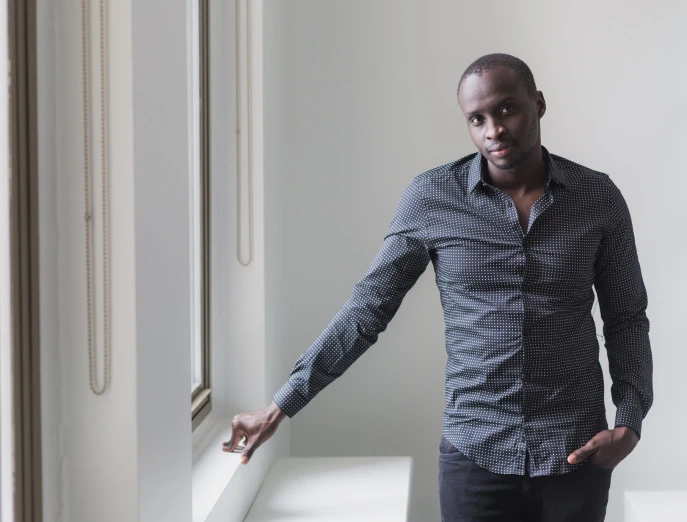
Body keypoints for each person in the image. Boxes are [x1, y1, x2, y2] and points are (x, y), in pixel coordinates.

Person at [221, 53, 653, 522]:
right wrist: (281, 405)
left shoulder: (597, 197)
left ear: (539, 104)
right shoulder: (432, 197)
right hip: (475, 456)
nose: (494, 130)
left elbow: (627, 316)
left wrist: (629, 422)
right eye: (477, 118)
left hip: (575, 454)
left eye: (507, 109)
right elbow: (368, 310)